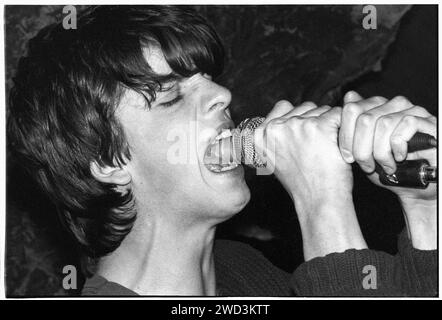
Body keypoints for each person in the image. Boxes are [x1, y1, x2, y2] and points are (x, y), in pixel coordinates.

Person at [8, 5, 437, 296]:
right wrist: (321, 203)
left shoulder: (243, 271)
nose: (223, 94)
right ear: (108, 162)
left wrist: (424, 211)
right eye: (172, 96)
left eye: (208, 79)